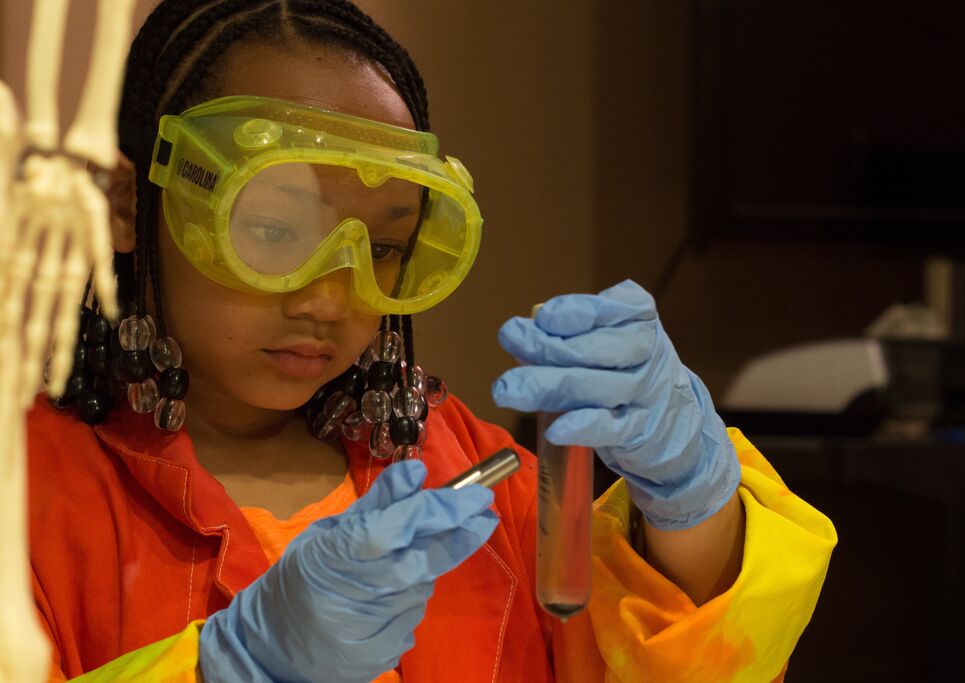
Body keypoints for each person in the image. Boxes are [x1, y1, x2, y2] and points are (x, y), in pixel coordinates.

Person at [25, 1, 837, 681]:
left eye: (380, 247)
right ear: (129, 205)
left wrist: (692, 505)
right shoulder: (23, 492)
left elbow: (657, 657)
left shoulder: (470, 480)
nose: (331, 297)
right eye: (272, 229)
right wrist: (231, 666)